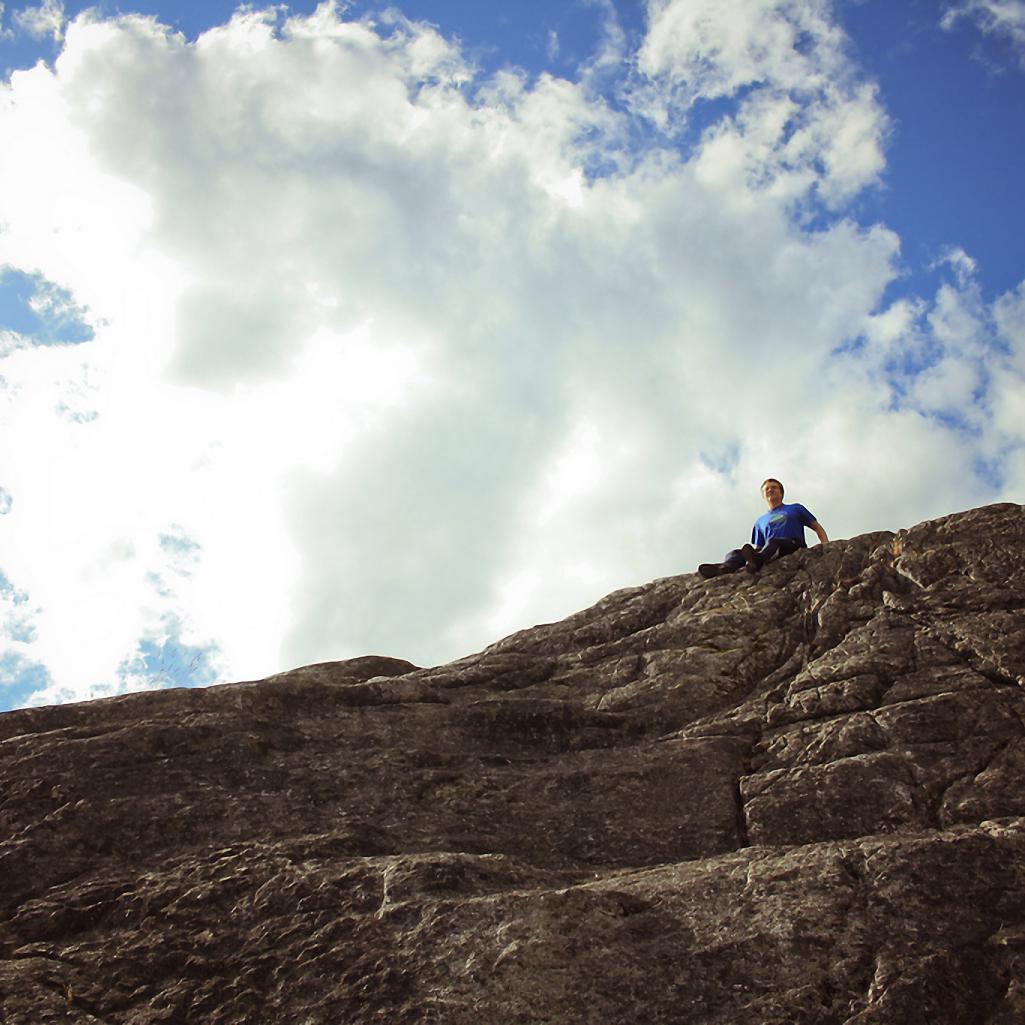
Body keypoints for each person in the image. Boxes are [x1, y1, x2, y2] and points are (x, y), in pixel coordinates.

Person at [698, 478, 828, 578]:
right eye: (767, 489)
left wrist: (826, 546)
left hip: (793, 544)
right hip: (770, 550)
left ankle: (758, 562)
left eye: (774, 488)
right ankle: (724, 568)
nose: (770, 490)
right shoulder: (759, 521)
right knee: (736, 553)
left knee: (773, 542)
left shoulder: (795, 508)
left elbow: (817, 527)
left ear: (781, 493)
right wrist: (749, 555)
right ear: (763, 496)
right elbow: (759, 547)